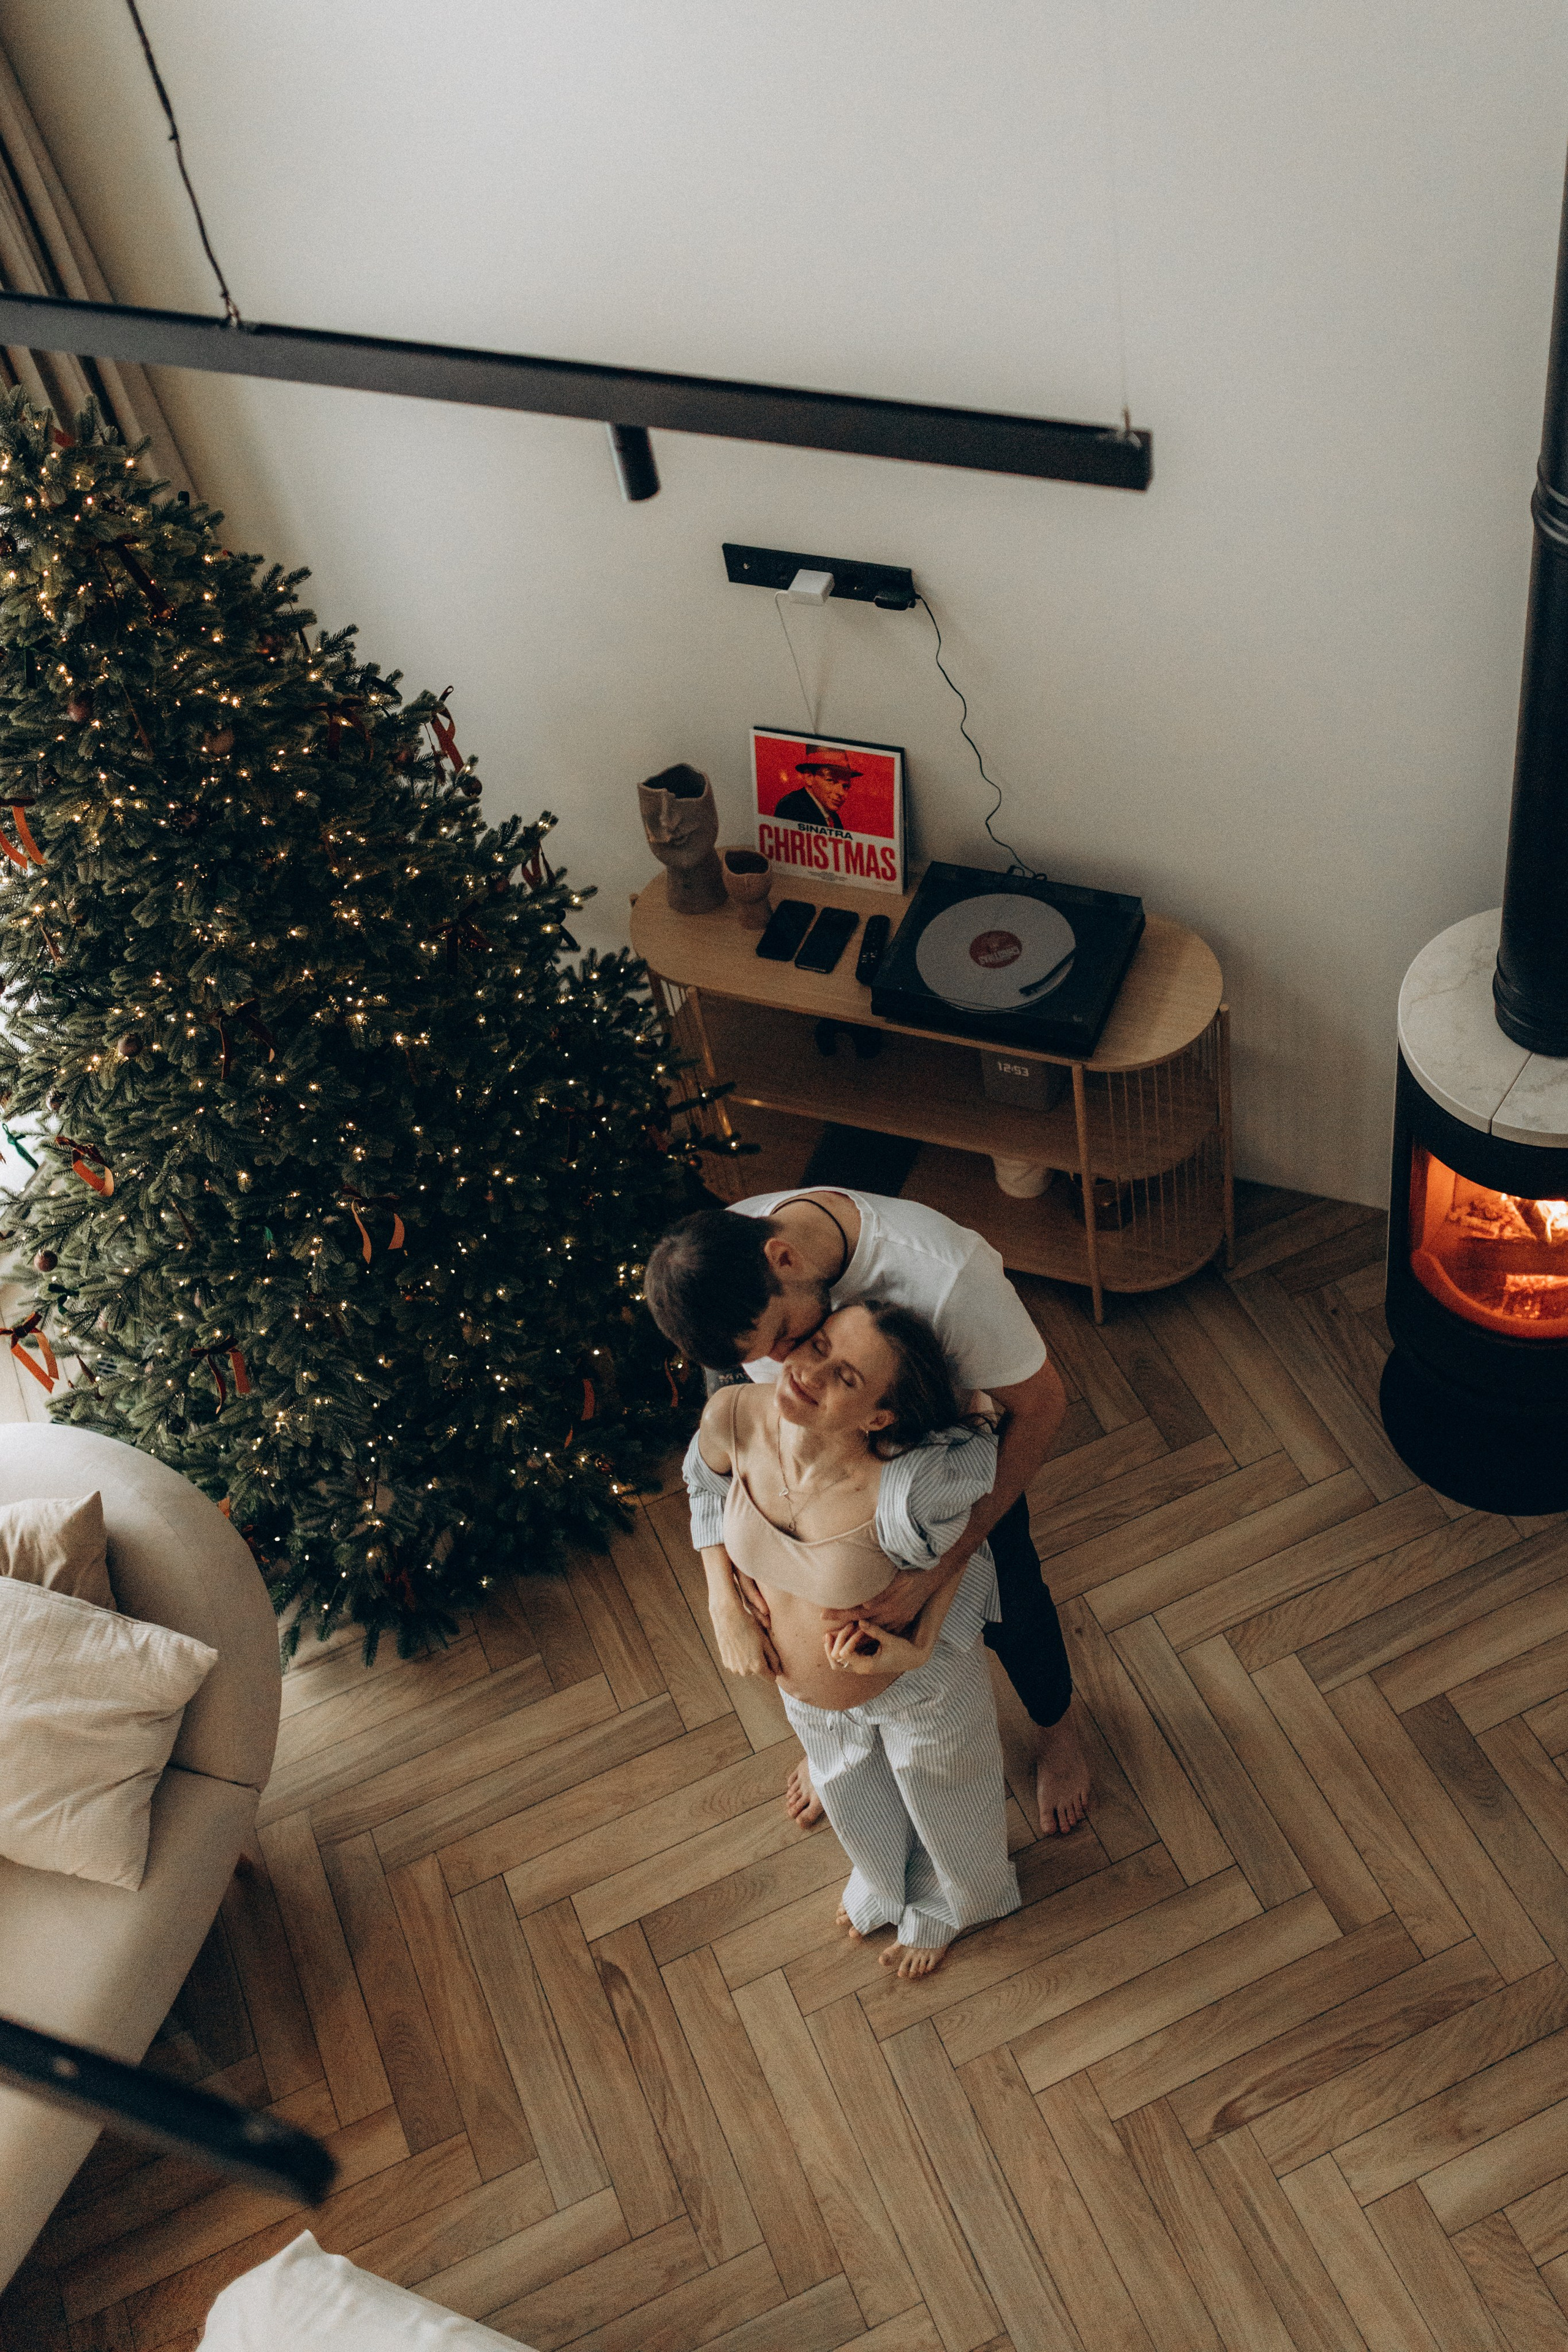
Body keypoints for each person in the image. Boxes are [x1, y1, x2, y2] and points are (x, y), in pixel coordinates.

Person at [645, 1185, 1091, 1836]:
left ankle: (1058, 1734)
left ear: (785, 1260)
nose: (778, 1366)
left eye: (782, 1338)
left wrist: (949, 1561)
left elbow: (1043, 1406)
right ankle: (831, 1738)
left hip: (936, 1471)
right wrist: (725, 1590)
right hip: (813, 1470)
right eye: (754, 1359)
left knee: (1014, 1606)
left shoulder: (947, 1278)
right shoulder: (725, 1256)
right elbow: (717, 1453)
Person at [685, 1299, 1019, 1977]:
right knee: (844, 1782)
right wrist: (724, 1602)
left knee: (944, 1787)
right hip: (803, 1692)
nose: (810, 1373)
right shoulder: (732, 1414)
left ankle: (957, 1901)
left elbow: (958, 1554)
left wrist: (918, 1648)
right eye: (818, 1347)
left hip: (915, 1685)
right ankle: (884, 1879)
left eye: (845, 1378)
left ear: (879, 1417)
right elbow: (703, 1488)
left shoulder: (909, 1486)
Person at [772, 748, 859, 832]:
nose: (841, 793)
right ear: (809, 777)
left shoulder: (832, 817)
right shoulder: (791, 806)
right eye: (831, 780)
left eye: (846, 786)